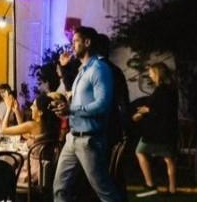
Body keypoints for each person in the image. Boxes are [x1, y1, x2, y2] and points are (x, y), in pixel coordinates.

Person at [52, 26, 125, 202]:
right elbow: (78, 102)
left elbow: (102, 105)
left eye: (76, 41)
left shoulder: (99, 69)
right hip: (72, 137)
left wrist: (72, 109)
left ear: (87, 42)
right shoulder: (82, 70)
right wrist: (65, 109)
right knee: (59, 188)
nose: (72, 45)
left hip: (89, 140)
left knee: (104, 191)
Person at [132, 62, 179, 197]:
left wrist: (145, 111)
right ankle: (172, 189)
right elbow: (160, 108)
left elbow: (160, 110)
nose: (150, 75)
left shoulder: (162, 90)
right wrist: (145, 111)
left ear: (158, 73)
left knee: (140, 151)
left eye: (152, 72)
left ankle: (150, 184)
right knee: (169, 159)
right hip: (168, 131)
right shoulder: (171, 89)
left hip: (157, 132)